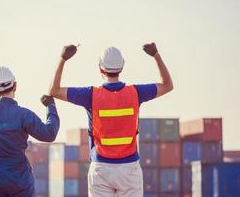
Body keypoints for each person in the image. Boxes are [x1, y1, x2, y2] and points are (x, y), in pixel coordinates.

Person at [49, 43, 173, 197]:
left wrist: (63, 58)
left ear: (100, 68)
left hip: (101, 168)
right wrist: (156, 54)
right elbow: (167, 85)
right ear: (122, 67)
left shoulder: (90, 95)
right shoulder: (136, 92)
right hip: (130, 169)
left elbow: (53, 91)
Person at [0, 59, 60, 197]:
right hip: (19, 181)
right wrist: (51, 106)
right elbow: (49, 134)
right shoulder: (24, 115)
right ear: (15, 86)